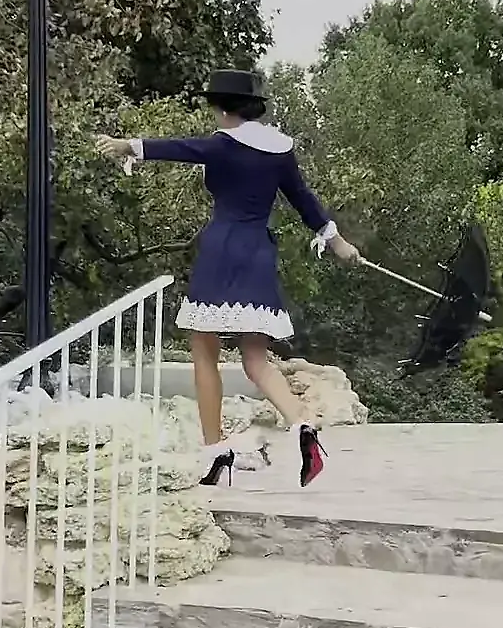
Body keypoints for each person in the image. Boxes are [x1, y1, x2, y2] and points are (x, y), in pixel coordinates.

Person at [95, 69, 360, 488]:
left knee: (204, 351)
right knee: (256, 360)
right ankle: (302, 424)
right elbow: (304, 200)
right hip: (258, 255)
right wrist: (338, 242)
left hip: (221, 252)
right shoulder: (280, 150)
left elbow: (179, 148)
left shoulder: (222, 145)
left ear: (219, 106)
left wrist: (129, 145)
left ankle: (215, 448)